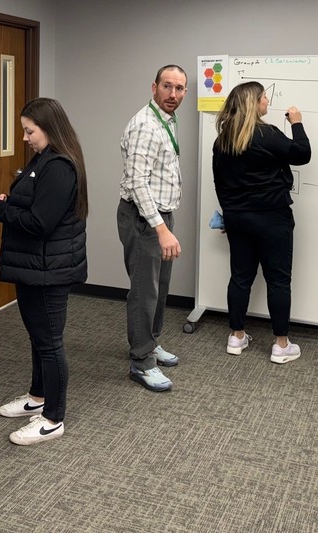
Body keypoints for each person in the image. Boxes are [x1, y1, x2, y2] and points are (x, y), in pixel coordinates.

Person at [0, 97, 88, 445]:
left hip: (48, 268)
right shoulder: (43, 160)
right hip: (35, 265)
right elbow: (36, 205)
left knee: (50, 342)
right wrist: (10, 204)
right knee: (38, 336)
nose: (25, 138)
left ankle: (53, 417)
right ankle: (37, 398)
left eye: (29, 131)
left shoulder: (60, 166)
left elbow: (41, 222)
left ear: (49, 128)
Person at [212, 81, 311, 364]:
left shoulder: (223, 140)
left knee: (240, 277)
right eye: (264, 98)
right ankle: (281, 345)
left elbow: (220, 183)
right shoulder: (268, 134)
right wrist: (297, 123)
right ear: (253, 103)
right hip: (272, 219)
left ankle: (237, 336)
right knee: (278, 279)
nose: (267, 102)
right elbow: (302, 154)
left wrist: (229, 215)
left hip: (238, 219)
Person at [117, 64, 188, 392]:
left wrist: (165, 223)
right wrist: (161, 228)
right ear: (154, 87)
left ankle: (150, 342)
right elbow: (138, 183)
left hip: (160, 218)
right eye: (167, 87)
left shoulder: (167, 120)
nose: (173, 94)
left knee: (158, 289)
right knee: (145, 292)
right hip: (145, 219)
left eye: (180, 88)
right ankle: (141, 362)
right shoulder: (146, 124)